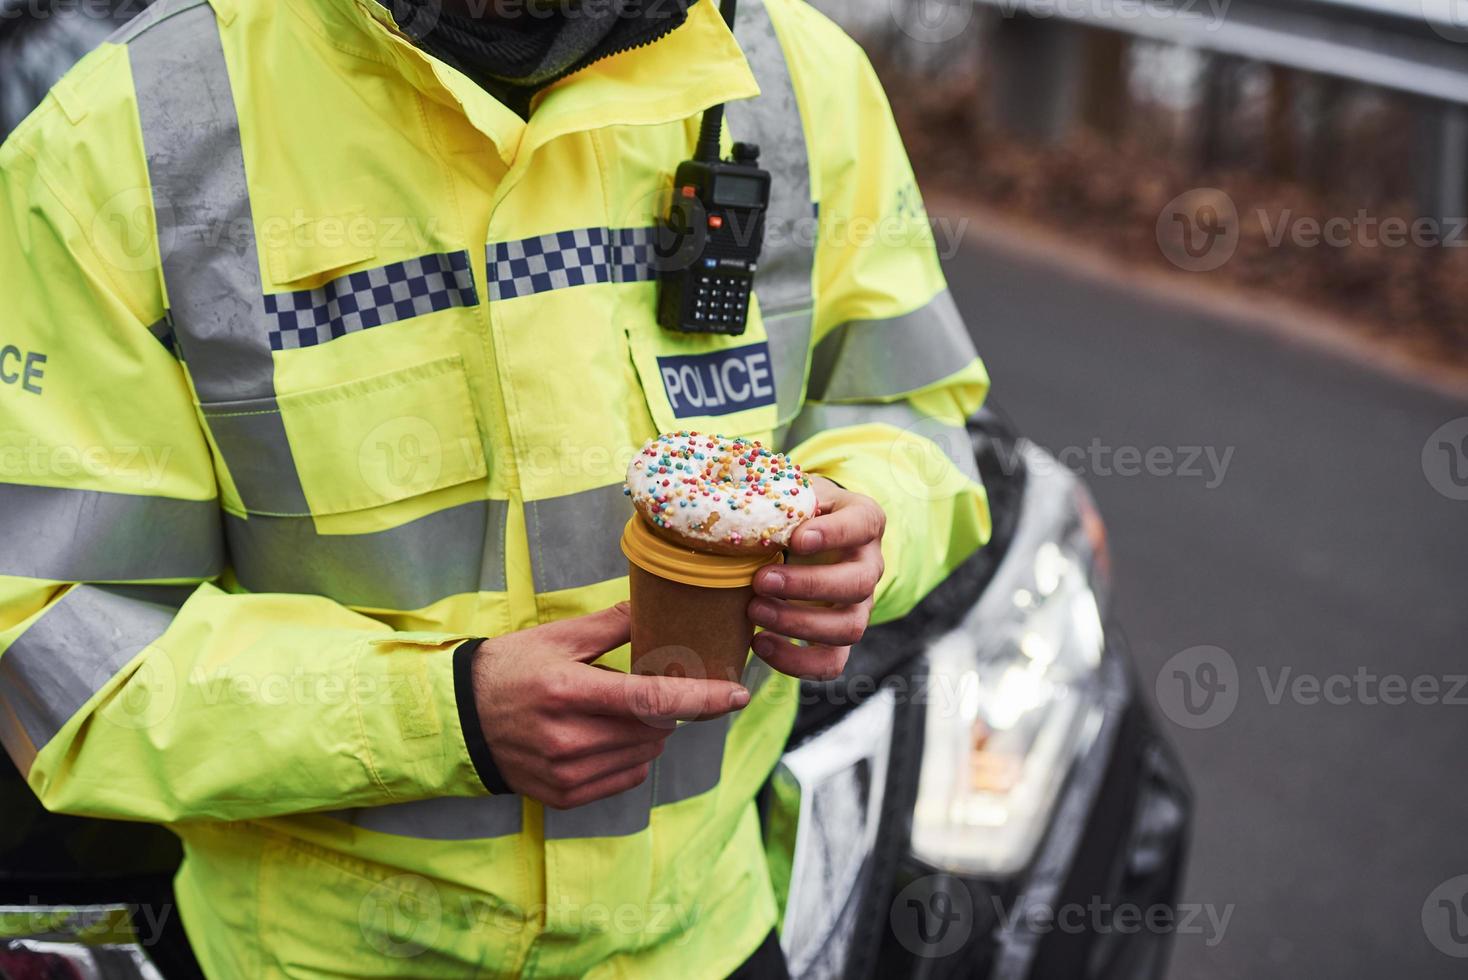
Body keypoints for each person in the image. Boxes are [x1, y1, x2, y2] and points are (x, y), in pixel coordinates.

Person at [0, 0, 991, 975]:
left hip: (707, 938)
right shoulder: (129, 135)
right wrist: (444, 715)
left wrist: (865, 531)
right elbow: (64, 643)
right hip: (317, 959)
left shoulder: (797, 77)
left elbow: (909, 412)